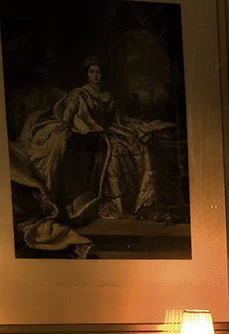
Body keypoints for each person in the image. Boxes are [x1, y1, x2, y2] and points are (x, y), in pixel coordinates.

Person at [11, 56, 175, 252]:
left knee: (131, 145)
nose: (95, 76)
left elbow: (116, 119)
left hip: (105, 130)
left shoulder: (107, 96)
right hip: (85, 130)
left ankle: (130, 202)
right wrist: (69, 125)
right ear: (87, 74)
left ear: (103, 76)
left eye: (98, 73)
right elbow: (68, 114)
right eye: (92, 72)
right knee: (101, 152)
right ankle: (92, 204)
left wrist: (132, 127)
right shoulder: (80, 94)